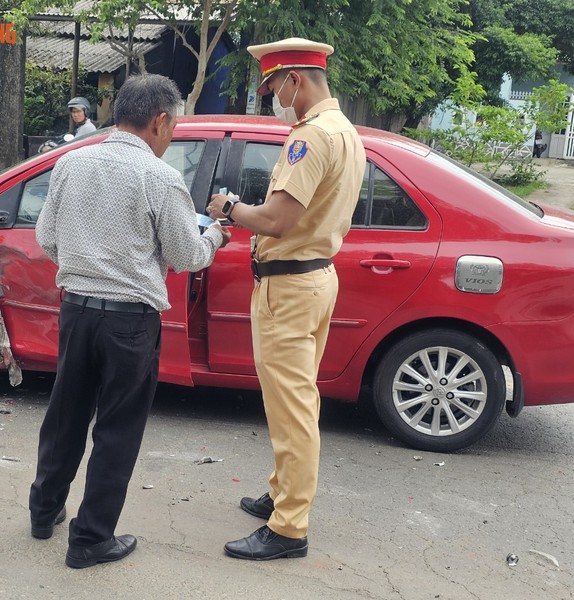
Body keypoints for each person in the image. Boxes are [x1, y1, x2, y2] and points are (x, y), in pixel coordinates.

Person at [30, 74, 231, 569]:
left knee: (66, 415)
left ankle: (43, 512)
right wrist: (217, 238)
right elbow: (186, 255)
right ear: (159, 120)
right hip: (130, 322)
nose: (173, 134)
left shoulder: (71, 162)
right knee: (117, 430)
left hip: (77, 309)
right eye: (175, 124)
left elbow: (46, 238)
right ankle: (91, 539)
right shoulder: (160, 177)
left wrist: (87, 260)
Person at [207, 37, 366, 561]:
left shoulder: (310, 138)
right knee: (297, 400)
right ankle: (280, 492)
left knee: (292, 408)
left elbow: (276, 220)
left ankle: (289, 527)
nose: (274, 96)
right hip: (315, 278)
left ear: (295, 79)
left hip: (290, 285)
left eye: (275, 86)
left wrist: (230, 208)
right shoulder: (345, 131)